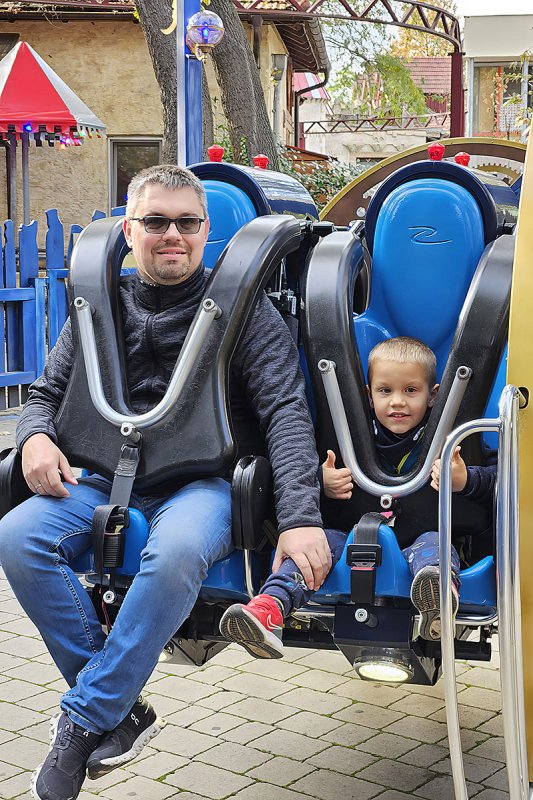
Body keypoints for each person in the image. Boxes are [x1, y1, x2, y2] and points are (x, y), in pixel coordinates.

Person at [0, 165, 332, 800]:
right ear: (129, 231)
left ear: (206, 231)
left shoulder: (245, 312)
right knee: (17, 538)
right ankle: (120, 709)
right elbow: (44, 394)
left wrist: (298, 519)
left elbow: (287, 413)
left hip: (204, 485)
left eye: (186, 222)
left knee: (176, 551)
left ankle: (84, 720)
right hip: (104, 477)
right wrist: (34, 437)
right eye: (155, 221)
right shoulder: (100, 307)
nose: (171, 234)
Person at [320, 337, 495, 640]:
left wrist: (467, 479)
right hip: (352, 537)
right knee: (317, 543)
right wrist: (321, 482)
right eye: (385, 391)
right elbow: (298, 476)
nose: (398, 401)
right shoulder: (349, 434)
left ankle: (439, 601)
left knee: (435, 546)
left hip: (425, 539)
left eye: (411, 390)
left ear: (433, 395)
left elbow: (504, 476)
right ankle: (273, 601)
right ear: (368, 396)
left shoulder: (455, 435)